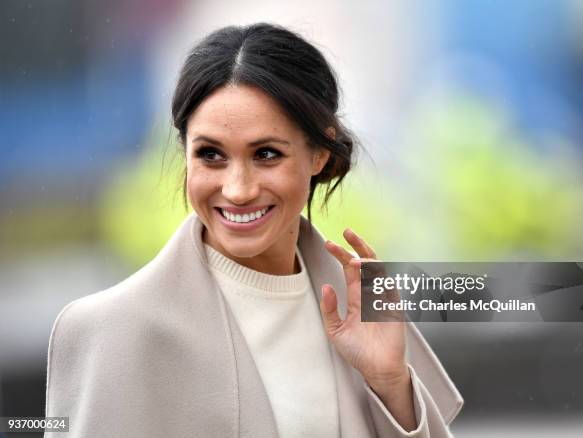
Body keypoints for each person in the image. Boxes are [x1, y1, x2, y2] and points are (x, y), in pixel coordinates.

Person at [44, 23, 463, 437]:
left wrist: (390, 385)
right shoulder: (113, 331)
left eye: (266, 154)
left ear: (319, 152)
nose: (238, 189)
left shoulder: (364, 313)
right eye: (210, 155)